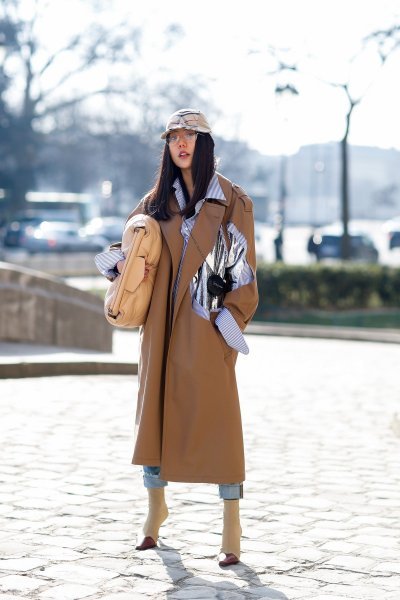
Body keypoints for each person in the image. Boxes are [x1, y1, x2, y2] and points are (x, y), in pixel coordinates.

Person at [95, 108, 259, 567]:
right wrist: (121, 267)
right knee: (154, 422)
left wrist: (230, 324)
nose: (181, 143)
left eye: (190, 135)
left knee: (220, 424)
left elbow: (243, 271)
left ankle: (231, 523)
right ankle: (154, 512)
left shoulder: (232, 201)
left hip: (207, 327)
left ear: (203, 142)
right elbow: (123, 251)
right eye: (173, 137)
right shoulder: (155, 202)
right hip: (160, 331)